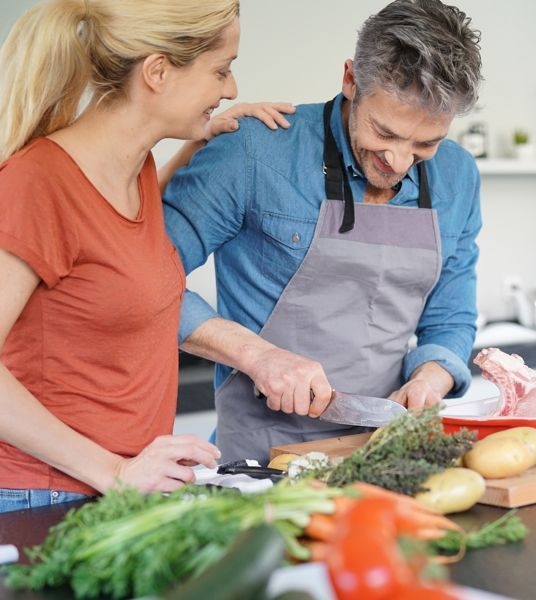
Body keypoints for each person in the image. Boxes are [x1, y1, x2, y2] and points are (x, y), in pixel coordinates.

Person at [0, 0, 292, 512]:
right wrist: (115, 471)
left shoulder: (133, 174)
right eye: (221, 71)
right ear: (157, 72)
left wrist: (196, 142)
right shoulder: (36, 183)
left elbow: (111, 260)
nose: (231, 90)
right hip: (40, 497)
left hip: (114, 493)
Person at [164, 0, 484, 461]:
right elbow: (147, 280)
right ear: (351, 79)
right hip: (264, 460)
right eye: (385, 133)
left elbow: (451, 318)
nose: (397, 161)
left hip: (387, 452)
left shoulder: (458, 176)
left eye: (425, 144)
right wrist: (256, 356)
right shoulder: (253, 152)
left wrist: (431, 377)